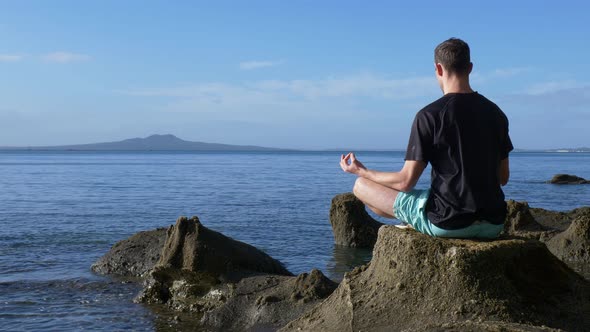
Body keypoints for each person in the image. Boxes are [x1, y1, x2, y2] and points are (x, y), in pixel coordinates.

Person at [340, 38, 513, 239]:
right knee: (428, 195)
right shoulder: (496, 113)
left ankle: (413, 220)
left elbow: (405, 182)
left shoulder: (430, 115)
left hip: (449, 223)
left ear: (438, 69)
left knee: (361, 186)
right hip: (493, 224)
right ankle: (414, 218)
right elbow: (503, 178)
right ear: (470, 68)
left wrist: (362, 171)